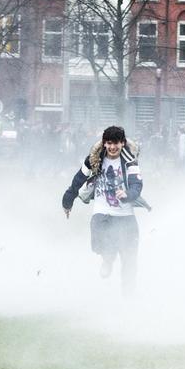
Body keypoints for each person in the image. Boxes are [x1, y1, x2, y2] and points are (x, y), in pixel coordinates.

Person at [62, 126, 145, 295]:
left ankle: (129, 297)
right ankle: (108, 258)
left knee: (129, 261)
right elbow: (78, 179)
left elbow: (137, 185)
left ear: (122, 143)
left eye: (116, 143)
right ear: (104, 143)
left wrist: (128, 194)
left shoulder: (130, 161)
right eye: (109, 143)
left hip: (126, 217)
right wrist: (67, 201)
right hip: (102, 213)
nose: (112, 147)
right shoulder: (94, 159)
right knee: (100, 239)